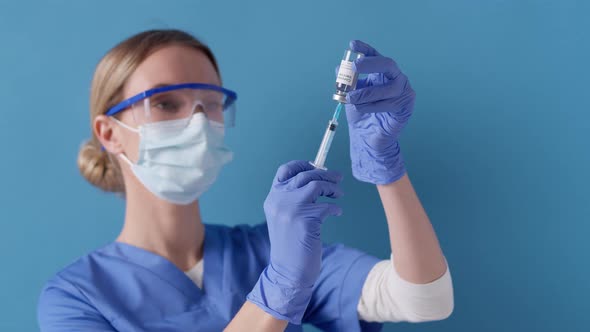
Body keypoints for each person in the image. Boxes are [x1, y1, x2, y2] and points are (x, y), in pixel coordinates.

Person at [37, 29, 454, 332]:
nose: (197, 123)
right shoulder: (75, 299)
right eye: (165, 102)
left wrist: (386, 167)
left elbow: (424, 300)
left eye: (212, 104)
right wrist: (280, 287)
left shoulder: (273, 250)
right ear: (108, 133)